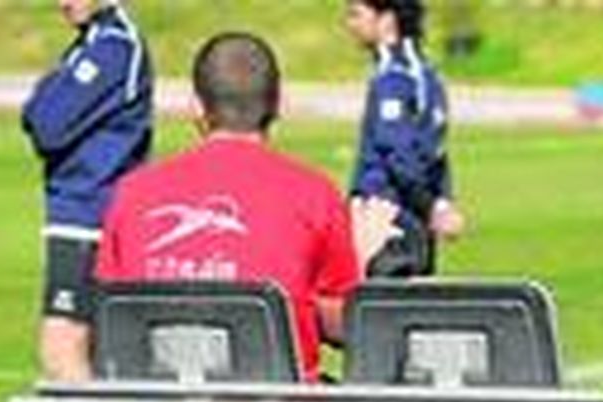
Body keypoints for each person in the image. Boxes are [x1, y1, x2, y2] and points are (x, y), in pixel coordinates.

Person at [96, 32, 397, 382]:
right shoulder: (313, 194)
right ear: (277, 104)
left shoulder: (134, 193)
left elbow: (109, 319)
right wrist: (360, 259)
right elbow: (345, 330)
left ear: (196, 105)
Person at [21, 0, 153, 383]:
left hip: (90, 216)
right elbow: (39, 110)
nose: (63, 2)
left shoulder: (114, 46)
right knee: (92, 352)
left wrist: (43, 99)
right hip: (79, 213)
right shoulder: (91, 41)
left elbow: (46, 122)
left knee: (62, 349)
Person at [344, 0, 465, 277]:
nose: (350, 25)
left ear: (387, 19)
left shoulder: (393, 78)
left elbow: (398, 155)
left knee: (376, 315)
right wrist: (441, 202)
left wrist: (432, 206)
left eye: (356, 14)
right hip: (416, 225)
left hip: (385, 223)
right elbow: (437, 152)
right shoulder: (428, 74)